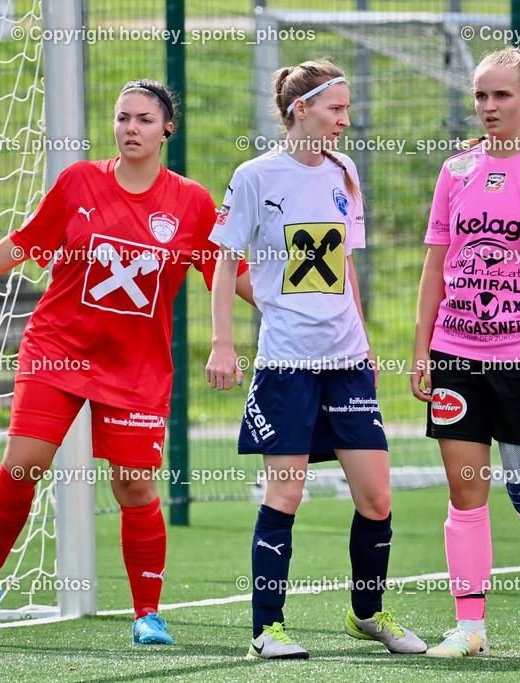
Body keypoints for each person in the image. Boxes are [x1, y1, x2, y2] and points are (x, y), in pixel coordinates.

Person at [0, 78, 253, 648]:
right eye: (122, 118)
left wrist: (297, 310)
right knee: (23, 467)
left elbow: (227, 270)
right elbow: (26, 241)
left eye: (143, 119)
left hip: (135, 368)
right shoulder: (79, 181)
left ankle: (147, 615)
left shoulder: (190, 201)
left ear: (167, 129)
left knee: (136, 489)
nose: (131, 128)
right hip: (59, 350)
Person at [205, 59, 426, 661]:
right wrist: (224, 345)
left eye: (348, 110)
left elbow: (344, 267)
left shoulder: (345, 171)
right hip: (286, 366)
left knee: (376, 498)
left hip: (347, 361)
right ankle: (266, 629)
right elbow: (226, 262)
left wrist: (365, 341)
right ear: (299, 109)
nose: (344, 122)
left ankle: (368, 613)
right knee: (286, 495)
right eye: (336, 110)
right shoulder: (254, 176)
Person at [411, 46, 520, 658]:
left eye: (501, 95)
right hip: (456, 355)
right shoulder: (455, 172)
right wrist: (421, 351)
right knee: (465, 493)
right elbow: (436, 264)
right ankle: (469, 628)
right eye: (481, 95)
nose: (488, 106)